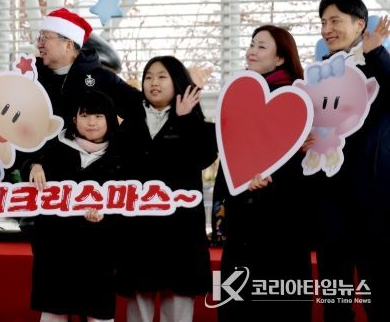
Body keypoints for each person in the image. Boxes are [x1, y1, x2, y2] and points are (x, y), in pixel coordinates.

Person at [214, 25, 314, 322]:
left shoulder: (300, 99)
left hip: (280, 226)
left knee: (277, 306)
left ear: (281, 58)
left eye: (261, 46)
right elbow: (228, 157)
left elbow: (308, 162)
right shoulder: (237, 96)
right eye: (251, 44)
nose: (252, 51)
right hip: (241, 219)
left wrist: (274, 180)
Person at [115, 55, 216, 322]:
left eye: (162, 77)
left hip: (179, 233)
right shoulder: (130, 124)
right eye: (148, 77)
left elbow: (203, 157)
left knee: (177, 308)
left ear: (177, 82)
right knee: (139, 307)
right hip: (138, 231)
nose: (153, 83)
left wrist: (184, 120)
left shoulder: (195, 123)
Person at [315, 0, 390, 322]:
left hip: (375, 201)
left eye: (335, 21)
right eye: (323, 22)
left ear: (360, 25)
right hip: (331, 201)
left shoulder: (376, 65)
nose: (327, 29)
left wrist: (376, 54)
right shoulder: (318, 73)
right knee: (335, 298)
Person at [27, 90, 122, 322]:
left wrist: (105, 216)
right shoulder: (54, 147)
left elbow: (128, 201)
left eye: (98, 116)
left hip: (98, 252)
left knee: (98, 313)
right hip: (56, 250)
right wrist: (34, 165)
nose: (91, 122)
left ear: (110, 119)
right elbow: (26, 157)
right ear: (74, 119)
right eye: (85, 116)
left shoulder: (121, 155)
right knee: (54, 312)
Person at [35, 8, 143, 124]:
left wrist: (120, 134)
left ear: (68, 45)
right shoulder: (31, 76)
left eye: (45, 38)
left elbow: (146, 110)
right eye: (39, 38)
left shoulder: (102, 80)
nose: (39, 45)